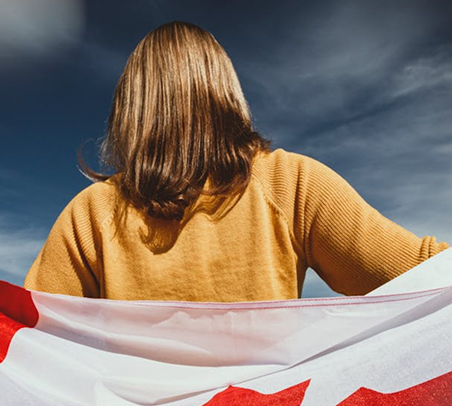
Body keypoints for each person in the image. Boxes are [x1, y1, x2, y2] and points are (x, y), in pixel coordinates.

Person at [24, 21, 448, 301]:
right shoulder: (291, 183)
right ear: (227, 94)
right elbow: (423, 276)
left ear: (132, 107)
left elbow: (24, 336)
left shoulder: (91, 213)